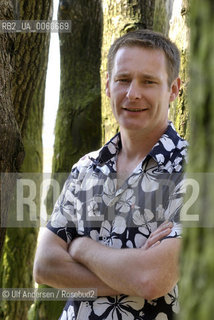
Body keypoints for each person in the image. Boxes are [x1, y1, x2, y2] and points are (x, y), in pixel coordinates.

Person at [34, 29, 188, 320]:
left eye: (149, 81)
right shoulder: (85, 168)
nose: (133, 93)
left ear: (173, 89)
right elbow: (44, 266)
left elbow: (151, 279)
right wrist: (130, 274)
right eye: (123, 79)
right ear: (108, 85)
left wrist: (80, 247)